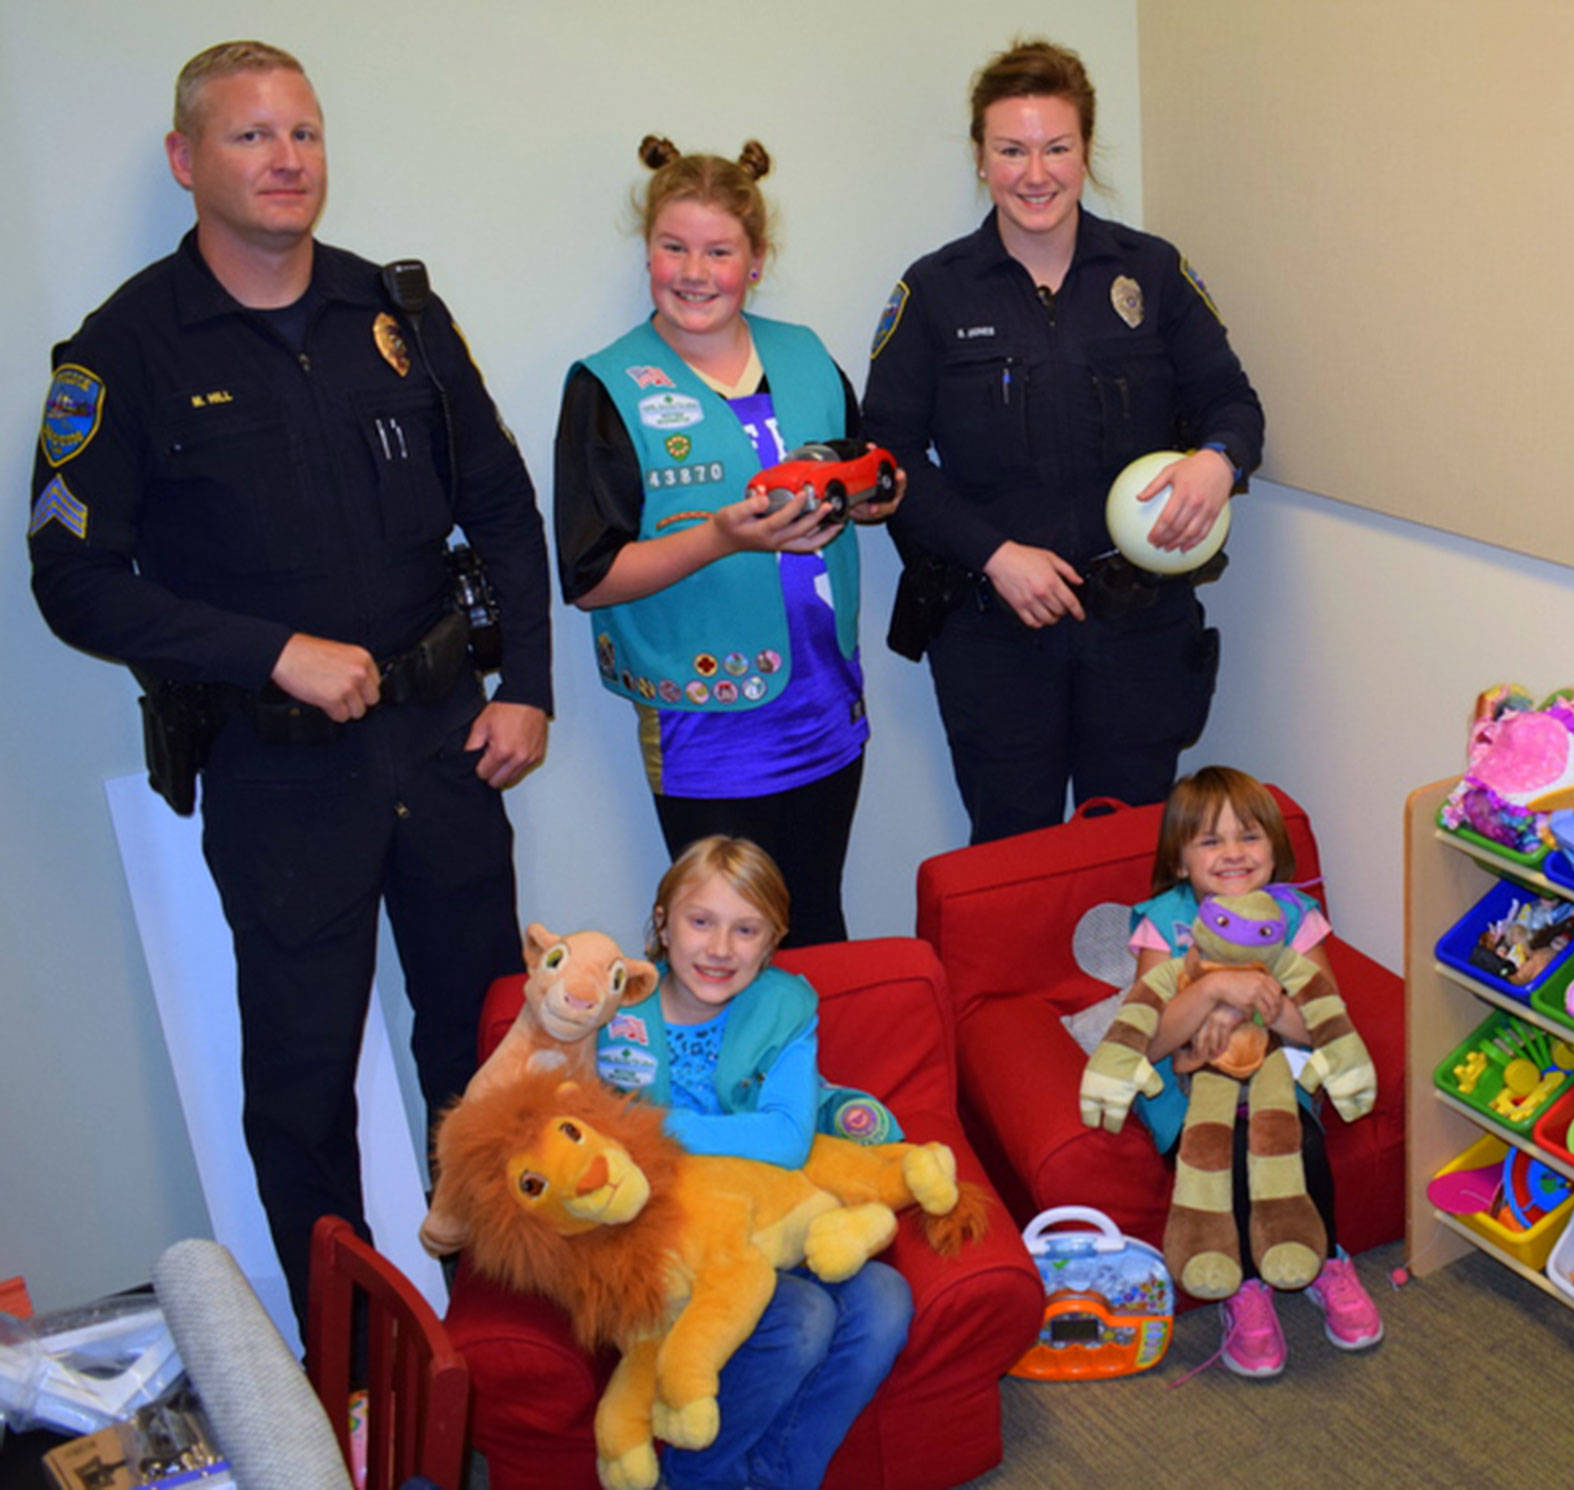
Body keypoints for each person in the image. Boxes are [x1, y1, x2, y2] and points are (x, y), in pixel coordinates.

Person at [26, 41, 551, 1329]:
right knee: (305, 1079)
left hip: (444, 739)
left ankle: (505, 1339)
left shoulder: (397, 314)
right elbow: (70, 580)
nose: (285, 160)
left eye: (303, 133)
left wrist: (528, 685)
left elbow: (498, 501)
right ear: (184, 158)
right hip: (278, 772)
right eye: (251, 135)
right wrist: (271, 652)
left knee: (486, 1047)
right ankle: (360, 1367)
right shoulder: (123, 352)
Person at [863, 37, 1264, 844]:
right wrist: (993, 554)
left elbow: (1233, 404)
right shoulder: (935, 291)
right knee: (1013, 857)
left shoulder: (1152, 273)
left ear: (1086, 152)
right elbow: (888, 457)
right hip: (995, 632)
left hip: (1140, 629)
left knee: (1134, 850)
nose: (1035, 173)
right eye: (1011, 150)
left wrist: (1217, 462)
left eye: (1056, 147)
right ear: (981, 158)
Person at [555, 137, 902, 946]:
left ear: (756, 260)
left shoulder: (805, 355)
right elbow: (590, 576)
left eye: (719, 251)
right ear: (647, 254)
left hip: (825, 704)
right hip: (704, 726)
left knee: (816, 923)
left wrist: (876, 498)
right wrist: (719, 537)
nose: (694, 272)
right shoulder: (607, 385)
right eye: (673, 248)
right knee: (723, 943)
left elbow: (852, 471)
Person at [594, 836, 912, 1490]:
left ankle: (777, 1477)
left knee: (886, 1299)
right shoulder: (616, 1008)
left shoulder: (785, 1008)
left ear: (771, 943)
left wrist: (655, 1128)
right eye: (700, 921)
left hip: (770, 1223)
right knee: (801, 1317)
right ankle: (694, 1478)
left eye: (746, 930)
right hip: (674, 1245)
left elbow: (787, 1138)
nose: (720, 948)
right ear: (663, 924)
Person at [1124, 767, 1381, 1377]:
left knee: (1300, 1147)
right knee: (1226, 1155)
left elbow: (1322, 1023)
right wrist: (1215, 989)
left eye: (1249, 836)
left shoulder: (1296, 915)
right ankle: (1243, 1289)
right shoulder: (1163, 919)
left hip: (1275, 1078)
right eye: (1210, 841)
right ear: (1180, 859)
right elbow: (1148, 1038)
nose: (1233, 853)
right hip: (1186, 1091)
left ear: (1274, 846)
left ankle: (1327, 1260)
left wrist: (1249, 1005)